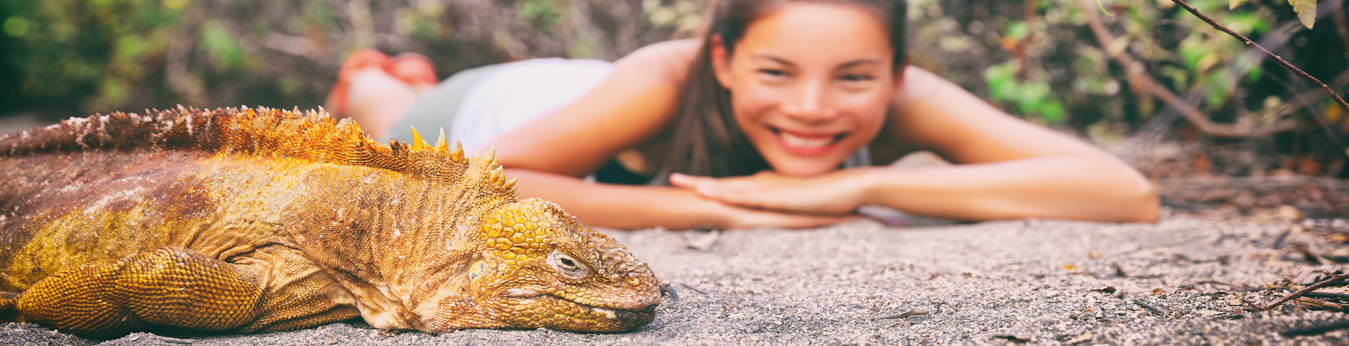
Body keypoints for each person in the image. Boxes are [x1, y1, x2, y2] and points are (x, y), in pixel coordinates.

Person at [325, 0, 1160, 230]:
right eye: (775, 71)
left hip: (589, 97)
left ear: (897, 72)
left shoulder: (900, 100)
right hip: (491, 108)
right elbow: (481, 177)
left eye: (854, 78)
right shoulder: (668, 74)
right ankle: (373, 76)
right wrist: (718, 208)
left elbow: (1123, 194)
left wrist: (849, 188)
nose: (811, 107)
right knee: (389, 116)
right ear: (721, 59)